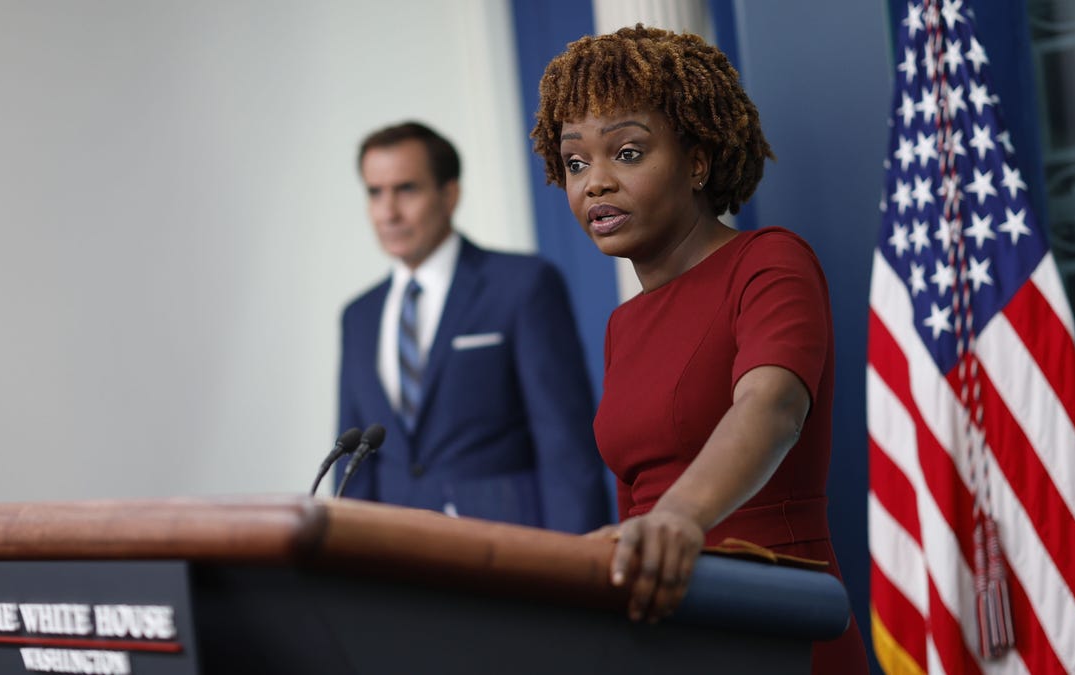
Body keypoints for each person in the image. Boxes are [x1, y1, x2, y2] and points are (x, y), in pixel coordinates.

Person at [530, 26, 868, 672]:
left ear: (697, 161)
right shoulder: (623, 326)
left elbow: (770, 407)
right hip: (673, 638)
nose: (595, 183)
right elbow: (636, 503)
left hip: (778, 626)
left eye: (627, 153)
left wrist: (678, 518)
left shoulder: (769, 261)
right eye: (576, 163)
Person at [334, 121, 610, 534]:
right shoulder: (358, 316)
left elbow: (565, 447)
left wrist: (578, 568)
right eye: (375, 192)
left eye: (406, 189)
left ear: (450, 194)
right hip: (396, 565)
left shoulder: (522, 285)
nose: (388, 212)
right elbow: (354, 465)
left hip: (506, 554)